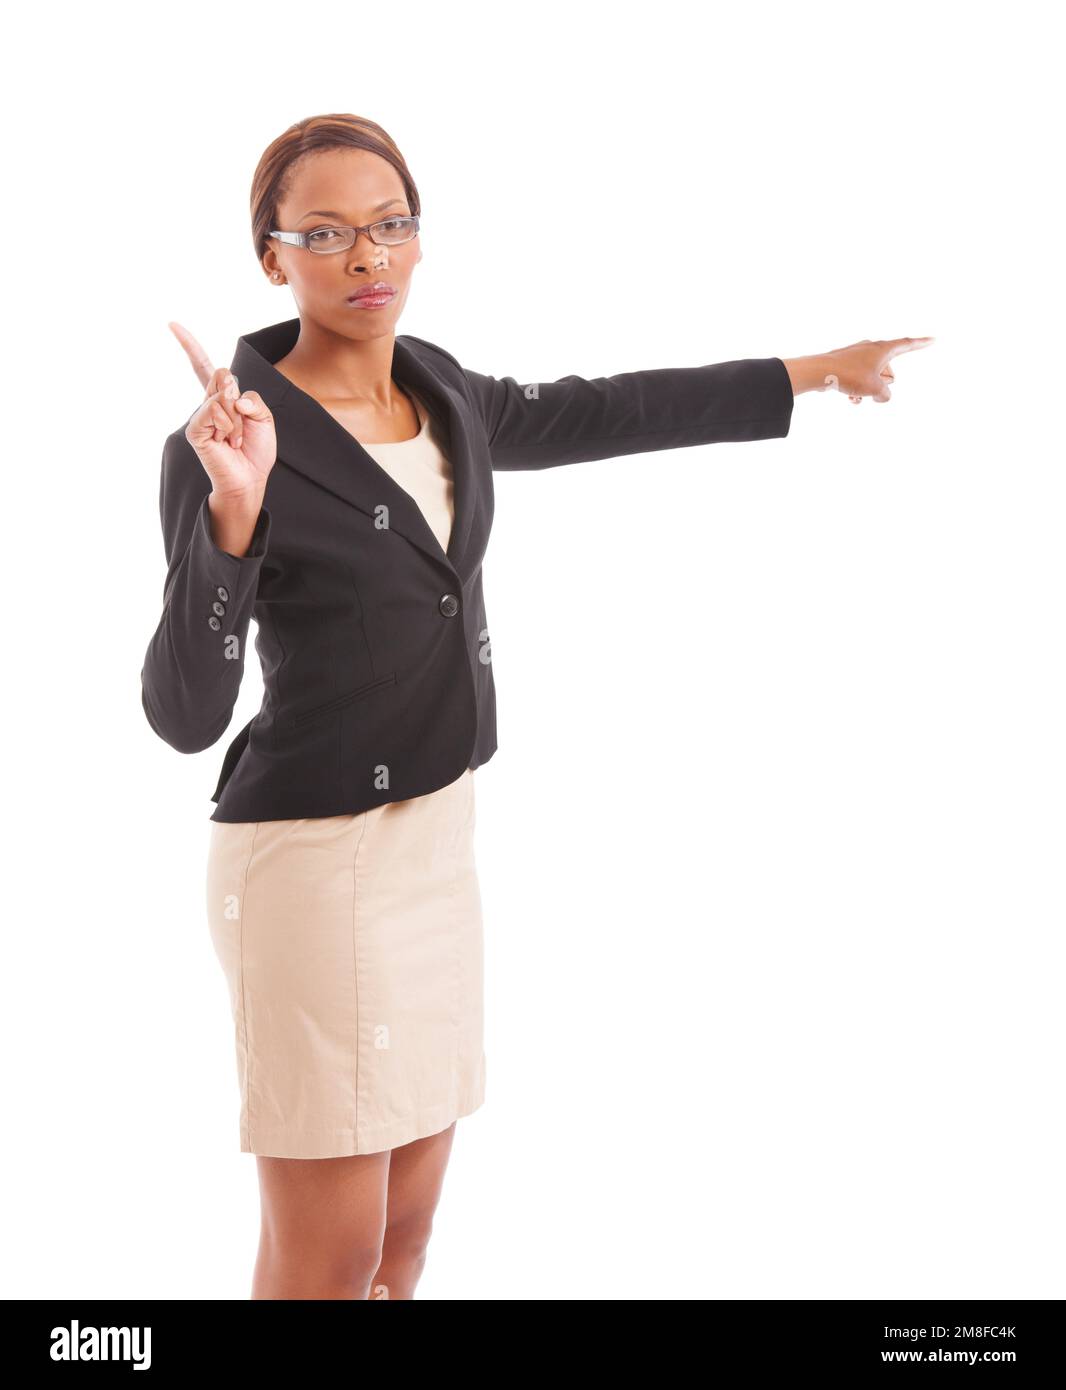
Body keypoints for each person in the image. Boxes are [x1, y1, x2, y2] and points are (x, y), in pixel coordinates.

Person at [141, 112, 933, 1301]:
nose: (369, 257)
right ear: (273, 257)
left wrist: (811, 370)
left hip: (432, 847)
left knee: (401, 1246)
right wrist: (233, 519)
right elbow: (184, 711)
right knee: (330, 1255)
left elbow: (608, 409)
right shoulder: (226, 442)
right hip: (311, 860)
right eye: (329, 233)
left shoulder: (443, 390)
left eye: (391, 225)